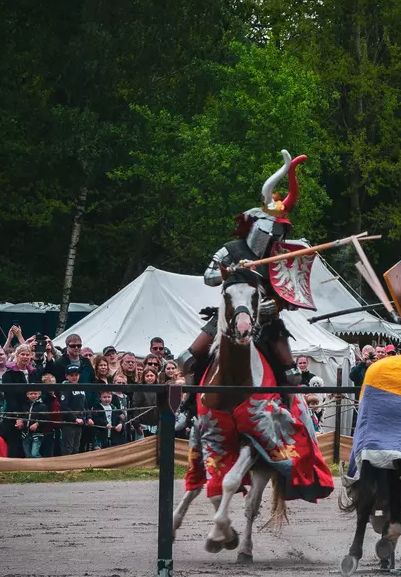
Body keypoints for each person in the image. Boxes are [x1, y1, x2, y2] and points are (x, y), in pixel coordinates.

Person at [188, 150, 308, 387]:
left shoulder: (283, 257)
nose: (274, 234)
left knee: (291, 373)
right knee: (189, 358)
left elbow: (294, 299)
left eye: (279, 231)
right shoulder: (231, 250)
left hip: (266, 319)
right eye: (271, 229)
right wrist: (231, 269)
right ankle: (189, 406)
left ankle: (287, 409)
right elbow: (209, 277)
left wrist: (274, 305)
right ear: (256, 226)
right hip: (230, 314)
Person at [59, 363, 88, 455]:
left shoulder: (81, 388)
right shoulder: (66, 388)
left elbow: (85, 405)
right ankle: (66, 468)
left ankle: (74, 468)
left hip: (80, 422)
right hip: (69, 423)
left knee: (76, 447)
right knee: (68, 448)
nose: (74, 377)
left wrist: (88, 417)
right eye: (71, 375)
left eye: (76, 375)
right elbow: (64, 407)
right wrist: (74, 418)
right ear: (66, 376)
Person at [131, 367, 159, 438]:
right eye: (147, 376)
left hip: (155, 424)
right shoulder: (140, 390)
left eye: (151, 375)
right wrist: (136, 424)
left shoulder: (160, 389)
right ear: (144, 377)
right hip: (143, 424)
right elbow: (135, 407)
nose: (149, 378)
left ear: (155, 377)